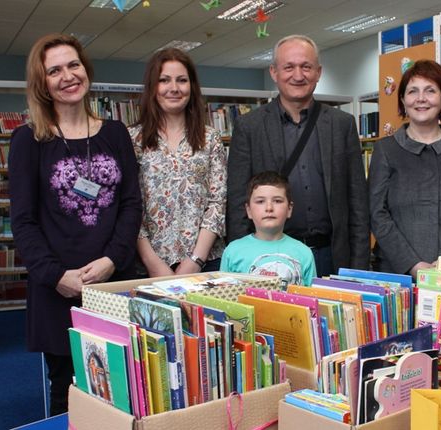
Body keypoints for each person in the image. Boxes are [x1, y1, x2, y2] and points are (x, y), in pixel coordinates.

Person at [9, 33, 142, 415]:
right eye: (54, 70)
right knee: (68, 390)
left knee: (124, 388)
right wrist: (55, 275)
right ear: (42, 82)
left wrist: (113, 260)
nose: (67, 76)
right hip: (58, 289)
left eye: (73, 65)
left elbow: (132, 204)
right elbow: (23, 220)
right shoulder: (28, 140)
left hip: (114, 283)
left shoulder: (115, 133)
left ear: (86, 70)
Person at [226, 34, 368, 276]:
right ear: (273, 72)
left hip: (331, 255)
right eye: (289, 67)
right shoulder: (249, 127)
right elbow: (238, 201)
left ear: (319, 72)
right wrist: (244, 263)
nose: (298, 75)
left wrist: (358, 268)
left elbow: (357, 201)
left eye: (306, 67)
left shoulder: (342, 124)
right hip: (268, 258)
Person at [369, 60, 441, 279]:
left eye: (430, 90)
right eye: (413, 91)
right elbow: (377, 214)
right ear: (403, 100)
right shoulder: (385, 150)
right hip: (398, 274)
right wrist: (412, 264)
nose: (421, 98)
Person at [130, 48, 227, 276]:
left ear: (191, 87)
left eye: (182, 80)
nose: (174, 88)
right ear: (153, 86)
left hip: (205, 262)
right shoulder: (132, 139)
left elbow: (217, 202)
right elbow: (130, 206)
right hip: (147, 265)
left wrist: (196, 260)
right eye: (164, 80)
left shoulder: (210, 138)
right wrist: (151, 261)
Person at [221, 171, 316, 286]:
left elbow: (312, 298)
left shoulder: (304, 252)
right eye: (260, 201)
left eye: (277, 201)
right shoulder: (232, 251)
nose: (269, 208)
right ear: (249, 210)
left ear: (289, 209)